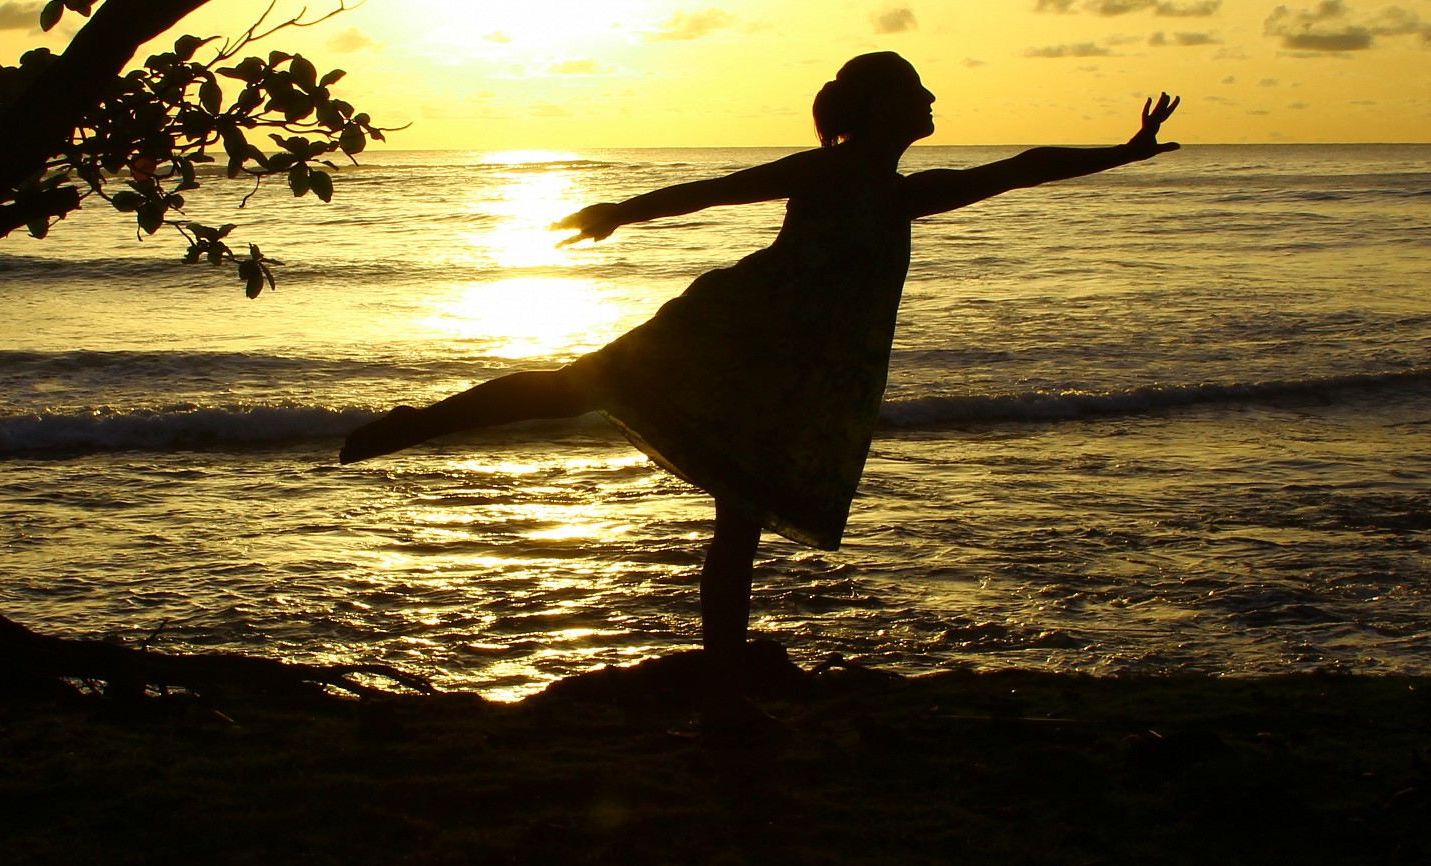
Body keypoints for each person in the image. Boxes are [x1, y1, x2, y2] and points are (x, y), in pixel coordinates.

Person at [342, 52, 1180, 726]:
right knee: (574, 389)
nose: (933, 101)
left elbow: (1025, 168)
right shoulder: (827, 174)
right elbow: (716, 191)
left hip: (789, 375)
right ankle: (417, 422)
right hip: (731, 330)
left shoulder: (906, 195)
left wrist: (1126, 151)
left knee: (736, 529)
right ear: (879, 109)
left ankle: (724, 698)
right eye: (917, 91)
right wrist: (617, 212)